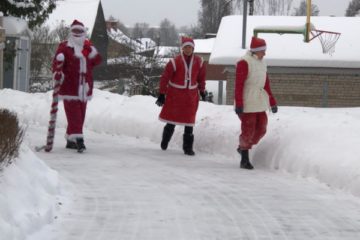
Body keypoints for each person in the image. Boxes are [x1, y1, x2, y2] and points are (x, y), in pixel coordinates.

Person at [52, 19, 102, 153]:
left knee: (81, 115)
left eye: (80, 31)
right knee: (75, 116)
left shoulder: (87, 47)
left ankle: (70, 140)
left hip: (84, 88)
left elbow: (97, 61)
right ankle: (79, 140)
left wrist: (92, 50)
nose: (77, 34)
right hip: (69, 88)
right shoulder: (64, 47)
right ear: (71, 32)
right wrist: (58, 73)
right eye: (75, 31)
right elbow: (56, 66)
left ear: (84, 32)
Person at [156, 36, 206, 156]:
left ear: (193, 48)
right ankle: (165, 140)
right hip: (175, 95)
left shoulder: (199, 62)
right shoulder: (174, 61)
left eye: (190, 47)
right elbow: (165, 78)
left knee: (189, 122)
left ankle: (187, 147)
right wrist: (162, 94)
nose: (188, 49)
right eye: (186, 47)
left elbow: (201, 78)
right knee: (171, 120)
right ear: (182, 49)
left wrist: (202, 90)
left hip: (190, 97)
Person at [234, 36, 278, 169]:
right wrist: (239, 103)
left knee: (261, 129)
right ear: (255, 51)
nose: (264, 53)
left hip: (260, 100)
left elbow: (266, 84)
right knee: (248, 129)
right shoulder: (244, 62)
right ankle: (244, 159)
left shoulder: (262, 63)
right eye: (262, 50)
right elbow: (239, 85)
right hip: (248, 100)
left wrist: (272, 102)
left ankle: (243, 148)